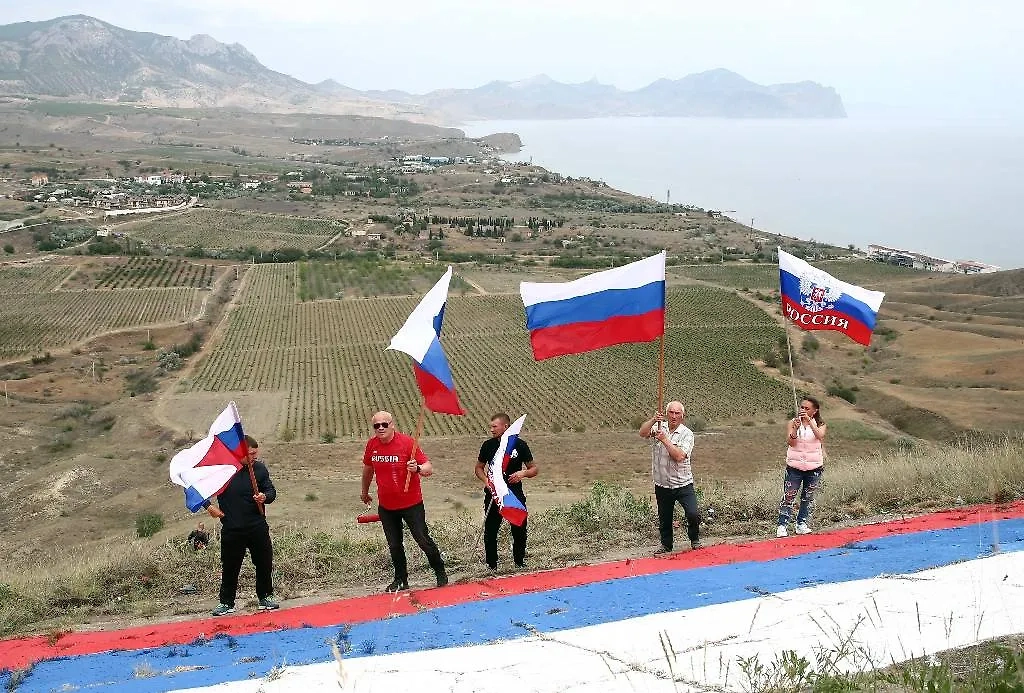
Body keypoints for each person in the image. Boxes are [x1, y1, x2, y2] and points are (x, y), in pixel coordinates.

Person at [361, 411, 448, 592]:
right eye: (377, 425)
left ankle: (440, 571)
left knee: (422, 539)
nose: (381, 428)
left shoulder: (408, 443)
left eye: (385, 424)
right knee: (394, 544)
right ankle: (401, 580)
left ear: (392, 424)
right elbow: (368, 469)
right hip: (386, 505)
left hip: (411, 503)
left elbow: (428, 468)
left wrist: (417, 468)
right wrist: (364, 491)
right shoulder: (372, 445)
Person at [206, 435, 279, 616]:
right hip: (232, 527)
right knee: (230, 566)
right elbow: (197, 487)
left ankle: (265, 597)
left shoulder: (259, 469)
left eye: (256, 453)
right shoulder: (223, 471)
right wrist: (208, 506)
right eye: (251, 453)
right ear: (241, 452)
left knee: (264, 563)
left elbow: (271, 491)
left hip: (257, 525)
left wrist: (265, 497)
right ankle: (226, 602)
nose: (254, 457)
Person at [475, 412, 538, 570]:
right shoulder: (488, 445)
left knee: (519, 527)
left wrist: (522, 473)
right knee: (490, 531)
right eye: (491, 426)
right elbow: (479, 468)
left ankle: (519, 562)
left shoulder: (520, 445)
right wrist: (486, 481)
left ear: (505, 426)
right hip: (493, 494)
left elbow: (534, 469)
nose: (491, 429)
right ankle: (491, 565)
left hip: (514, 494)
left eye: (494, 426)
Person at [639, 401, 701, 553]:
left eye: (677, 413)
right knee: (664, 518)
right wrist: (654, 420)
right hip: (662, 483)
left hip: (683, 483)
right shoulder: (660, 427)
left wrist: (665, 439)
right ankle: (666, 545)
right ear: (667, 414)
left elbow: (679, 456)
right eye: (671, 413)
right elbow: (642, 433)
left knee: (693, 514)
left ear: (682, 416)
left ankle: (694, 538)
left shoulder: (687, 434)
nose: (674, 416)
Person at [776, 396, 827, 537]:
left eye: (807, 408)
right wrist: (795, 430)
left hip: (814, 468)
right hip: (795, 467)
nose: (803, 410)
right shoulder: (793, 422)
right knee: (788, 496)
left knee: (807, 498)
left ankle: (801, 524)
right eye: (802, 407)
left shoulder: (820, 424)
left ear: (814, 411)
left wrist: (810, 423)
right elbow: (790, 442)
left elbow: (820, 436)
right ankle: (782, 526)